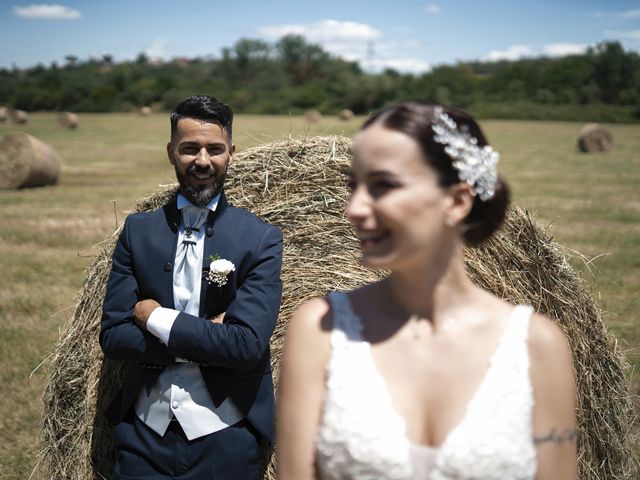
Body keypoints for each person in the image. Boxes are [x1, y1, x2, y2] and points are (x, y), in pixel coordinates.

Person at [276, 101, 576, 479]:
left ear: (456, 201)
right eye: (354, 186)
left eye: (383, 185)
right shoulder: (320, 329)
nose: (353, 208)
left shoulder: (537, 345)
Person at [100, 94, 283, 479]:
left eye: (214, 149)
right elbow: (114, 335)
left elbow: (246, 345)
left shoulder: (260, 238)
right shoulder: (138, 231)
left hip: (226, 437)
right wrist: (210, 340)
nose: (202, 161)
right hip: (142, 438)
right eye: (190, 149)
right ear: (171, 152)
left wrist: (156, 318)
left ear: (231, 152)